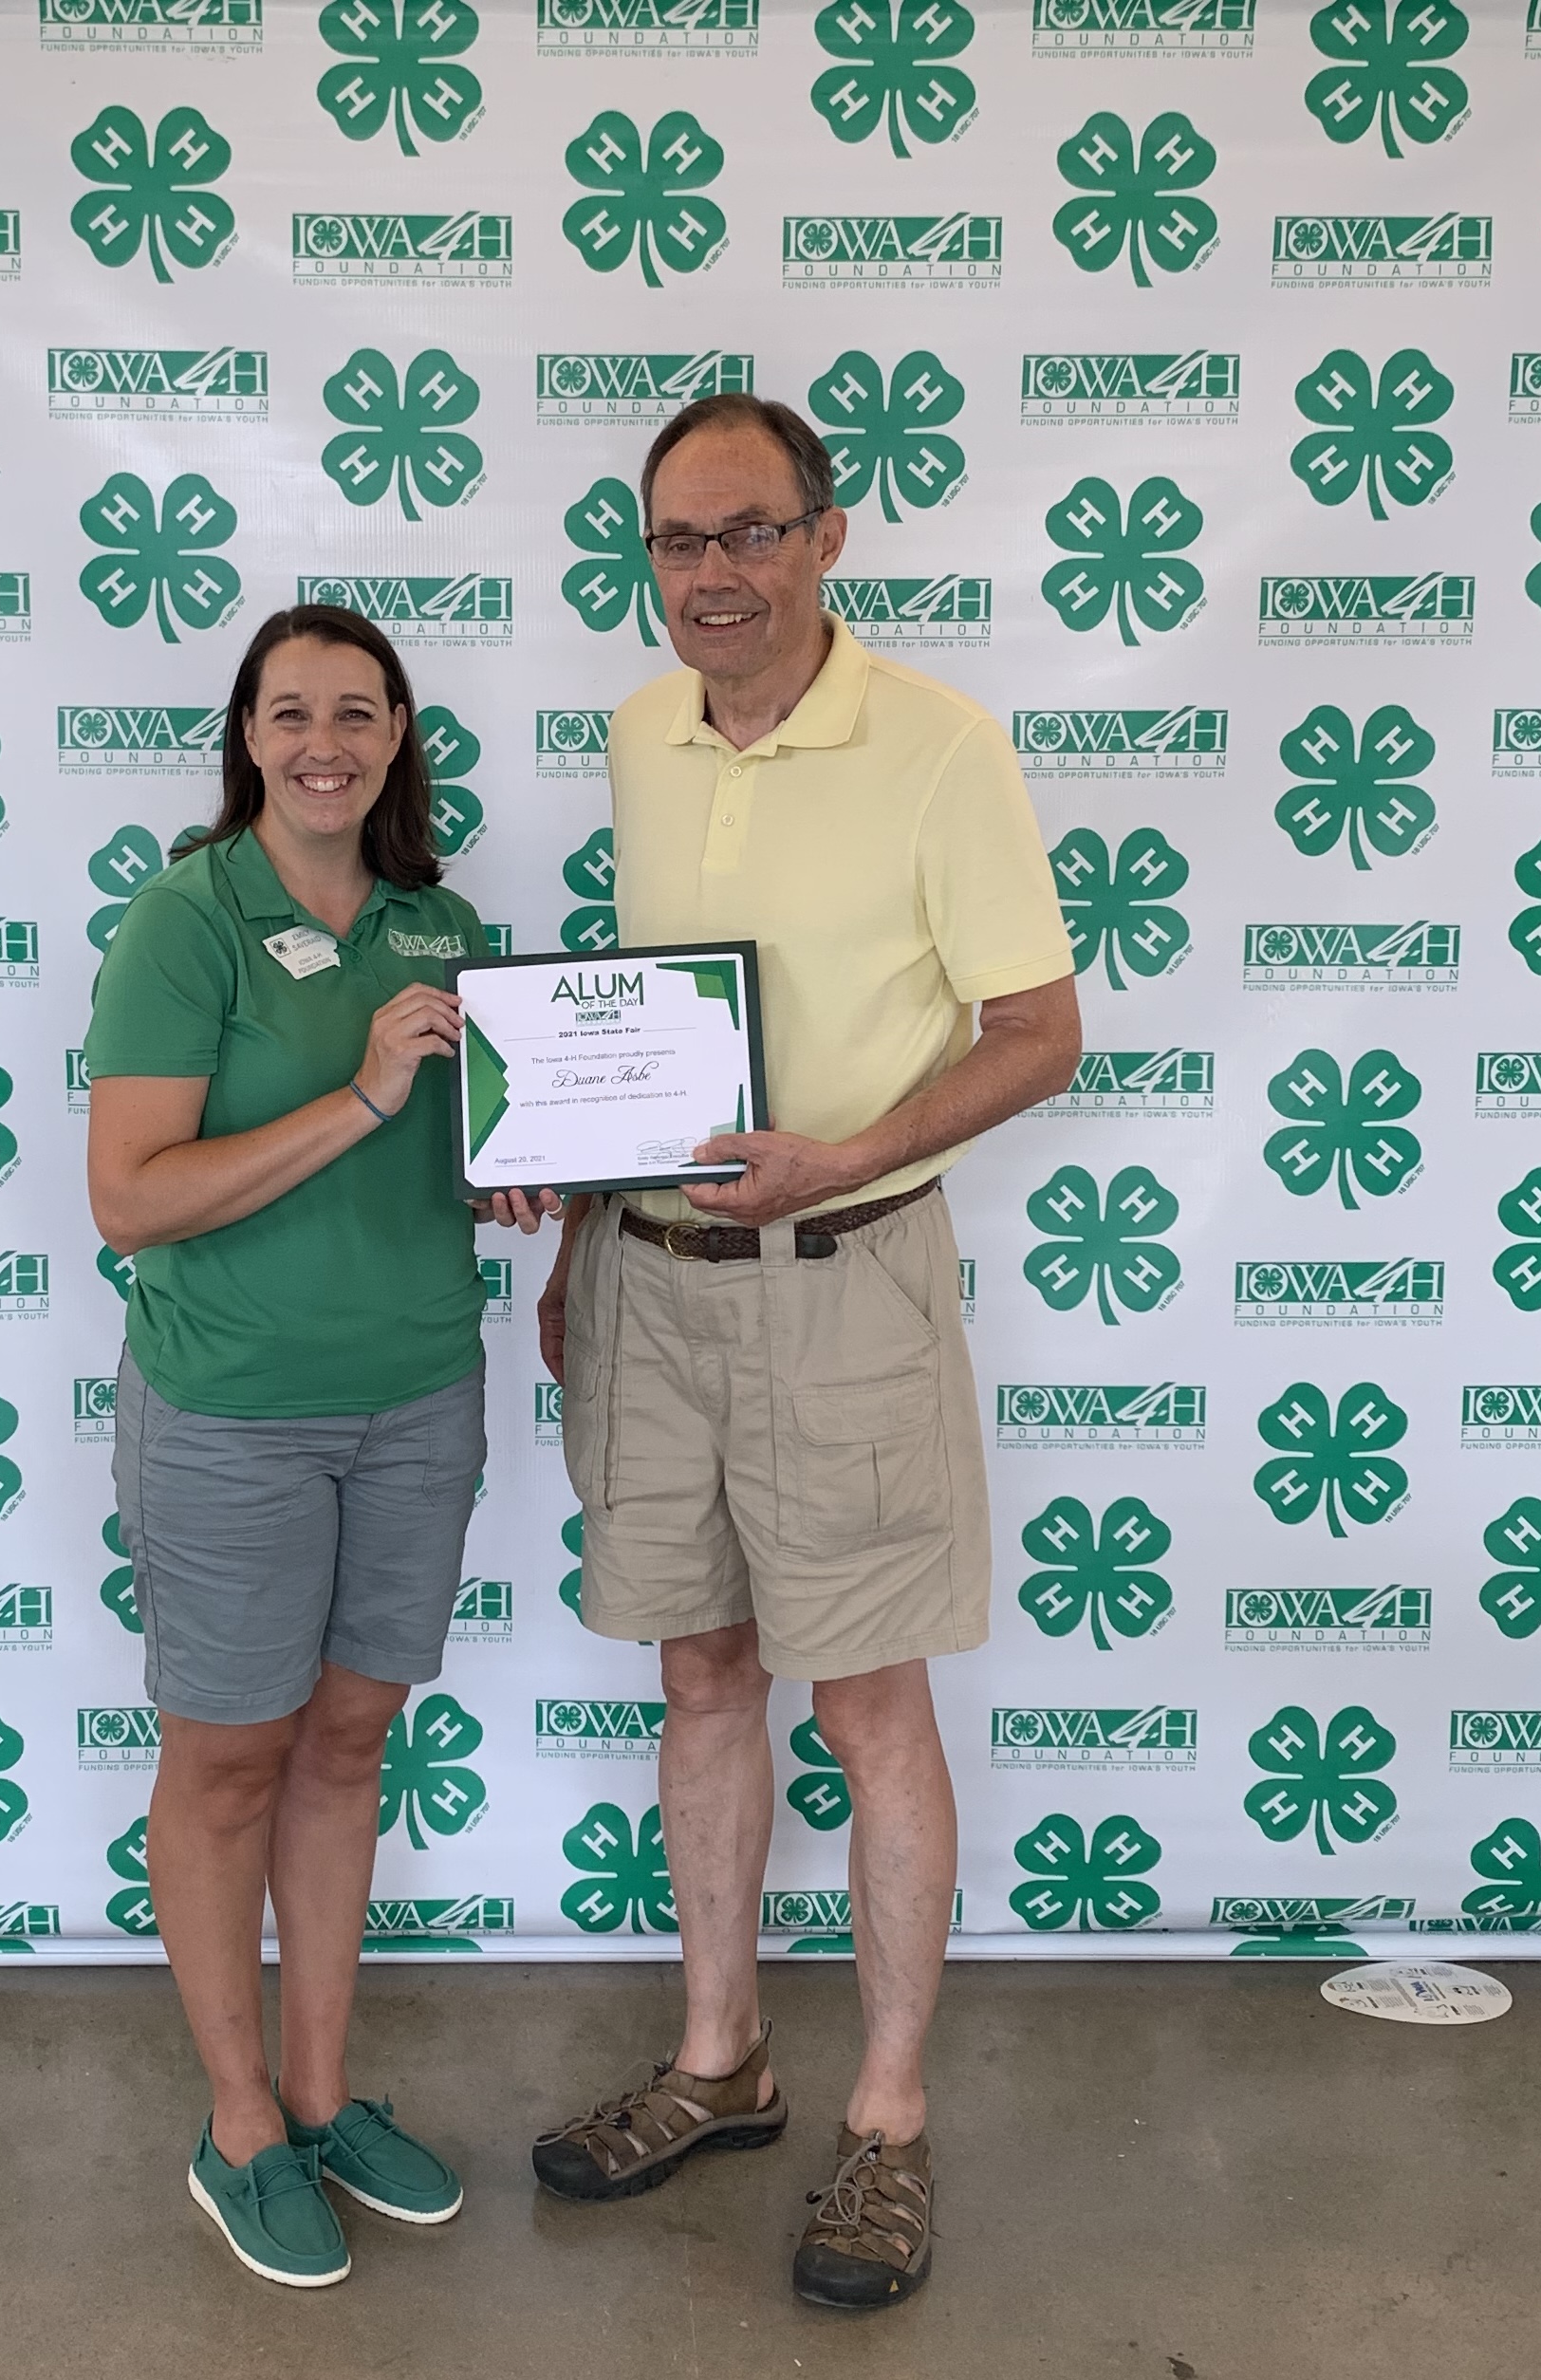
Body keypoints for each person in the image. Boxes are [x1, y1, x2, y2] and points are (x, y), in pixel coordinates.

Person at [528, 396, 1081, 2308]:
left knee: (867, 1708)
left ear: (827, 537)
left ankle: (893, 2123)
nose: (713, 577)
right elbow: (653, 1029)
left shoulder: (941, 747)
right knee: (700, 1671)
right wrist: (587, 1214)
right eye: (678, 543)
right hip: (655, 1283)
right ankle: (722, 2063)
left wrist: (842, 1156)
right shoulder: (639, 733)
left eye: (749, 535)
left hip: (847, 1274)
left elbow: (1039, 1029)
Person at [85, 603, 551, 2290]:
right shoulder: (183, 918)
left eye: (357, 711)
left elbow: (461, 1148)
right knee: (227, 1764)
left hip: (420, 1393)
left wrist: (506, 1169)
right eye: (290, 714)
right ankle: (236, 2127)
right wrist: (361, 1094)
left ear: (399, 733)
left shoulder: (443, 926)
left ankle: (322, 2091)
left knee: (349, 1742)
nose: (323, 742)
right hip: (231, 1413)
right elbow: (130, 1200)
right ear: (246, 736)